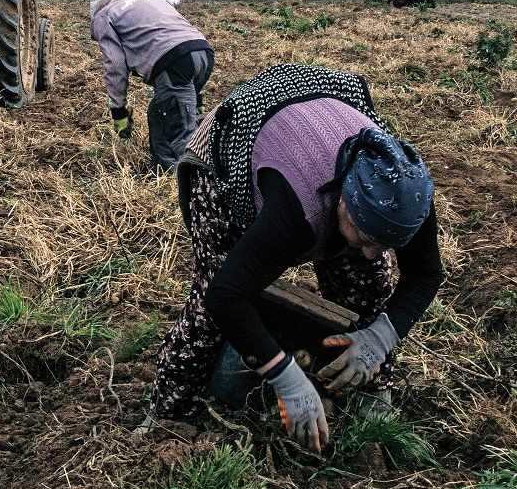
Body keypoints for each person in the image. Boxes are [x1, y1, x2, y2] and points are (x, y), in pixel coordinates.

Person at [149, 64, 445, 452]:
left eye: (388, 241)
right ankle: (168, 415)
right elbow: (226, 295)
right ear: (343, 200)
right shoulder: (295, 212)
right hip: (229, 152)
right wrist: (285, 377)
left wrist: (380, 337)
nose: (375, 250)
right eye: (366, 235)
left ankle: (369, 388)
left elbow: (426, 274)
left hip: (319, 115)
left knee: (369, 281)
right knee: (214, 296)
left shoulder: (404, 197)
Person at [90, 0, 215, 171]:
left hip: (173, 61)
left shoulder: (102, 16)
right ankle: (168, 166)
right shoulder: (152, 1)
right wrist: (197, 98)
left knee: (173, 128)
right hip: (203, 53)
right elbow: (175, 34)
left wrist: (118, 110)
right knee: (161, 113)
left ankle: (180, 179)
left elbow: (115, 64)